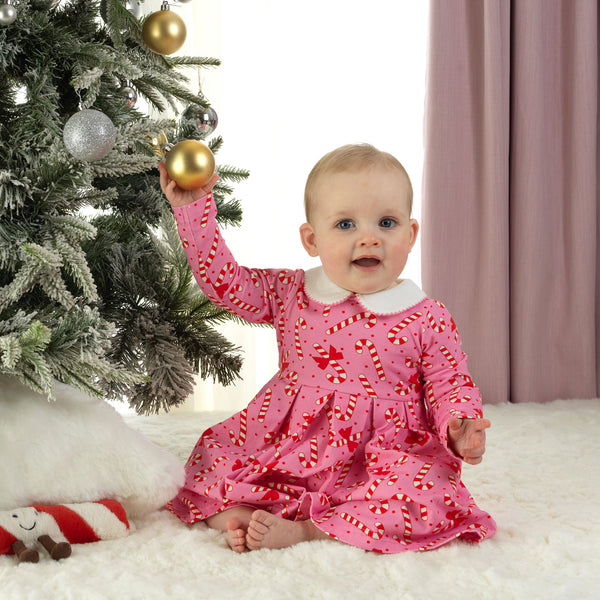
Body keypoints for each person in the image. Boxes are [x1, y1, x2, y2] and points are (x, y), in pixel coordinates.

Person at [159, 143, 496, 554]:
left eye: (386, 222)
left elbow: (449, 383)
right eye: (345, 225)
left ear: (410, 236)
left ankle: (306, 531)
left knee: (430, 496)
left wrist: (459, 424)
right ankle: (244, 517)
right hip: (293, 444)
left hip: (381, 456)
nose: (368, 238)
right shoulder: (291, 293)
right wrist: (194, 210)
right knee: (214, 460)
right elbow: (224, 283)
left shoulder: (426, 316)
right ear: (311, 239)